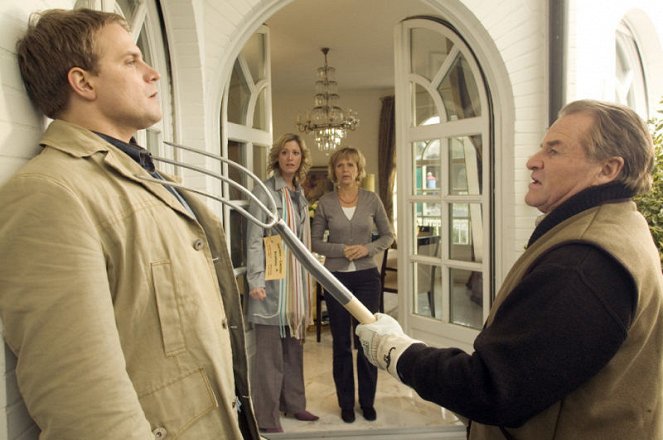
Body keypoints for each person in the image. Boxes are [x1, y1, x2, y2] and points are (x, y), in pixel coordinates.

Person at [0, 9, 259, 439]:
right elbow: (84, 407)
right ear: (83, 82)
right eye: (130, 60)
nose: (152, 72)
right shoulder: (50, 193)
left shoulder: (152, 177)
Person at [356, 99, 663, 439]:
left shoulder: (583, 264)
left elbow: (493, 389)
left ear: (607, 169)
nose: (533, 161)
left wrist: (396, 352)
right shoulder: (617, 226)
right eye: (541, 147)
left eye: (554, 150)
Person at [312, 147, 394, 423]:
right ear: (334, 171)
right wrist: (340, 249)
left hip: (366, 279)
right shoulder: (325, 202)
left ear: (358, 170)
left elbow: (388, 235)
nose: (345, 170)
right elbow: (314, 242)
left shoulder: (372, 200)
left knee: (367, 341)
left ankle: (367, 401)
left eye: (350, 165)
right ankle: (346, 402)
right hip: (335, 279)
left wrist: (366, 249)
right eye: (339, 165)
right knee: (342, 344)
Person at [245, 133, 319, 433]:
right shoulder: (264, 190)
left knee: (294, 348)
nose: (291, 158)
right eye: (286, 152)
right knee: (268, 356)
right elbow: (253, 237)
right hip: (271, 284)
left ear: (302, 160)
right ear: (277, 156)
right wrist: (255, 279)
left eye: (296, 153)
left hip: (295, 285)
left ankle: (295, 404)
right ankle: (266, 416)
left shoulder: (299, 192)